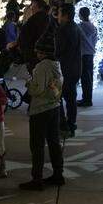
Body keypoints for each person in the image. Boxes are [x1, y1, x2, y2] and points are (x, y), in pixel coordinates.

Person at [18, 39, 64, 191]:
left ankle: (36, 179)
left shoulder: (41, 67)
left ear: (43, 52)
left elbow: (37, 90)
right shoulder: (56, 64)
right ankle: (58, 174)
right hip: (54, 107)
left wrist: (29, 84)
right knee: (54, 142)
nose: (36, 53)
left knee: (37, 145)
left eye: (38, 51)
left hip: (40, 110)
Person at [54, 4, 83, 137]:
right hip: (75, 68)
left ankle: (63, 125)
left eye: (59, 13)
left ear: (65, 15)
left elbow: (59, 51)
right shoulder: (76, 27)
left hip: (65, 69)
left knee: (58, 97)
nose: (57, 16)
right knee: (71, 99)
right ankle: (71, 124)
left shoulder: (63, 30)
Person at [76, 7, 98, 108]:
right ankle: (87, 98)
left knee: (85, 78)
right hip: (90, 54)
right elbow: (95, 41)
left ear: (80, 15)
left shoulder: (80, 26)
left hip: (83, 54)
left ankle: (87, 100)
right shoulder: (93, 26)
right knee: (88, 78)